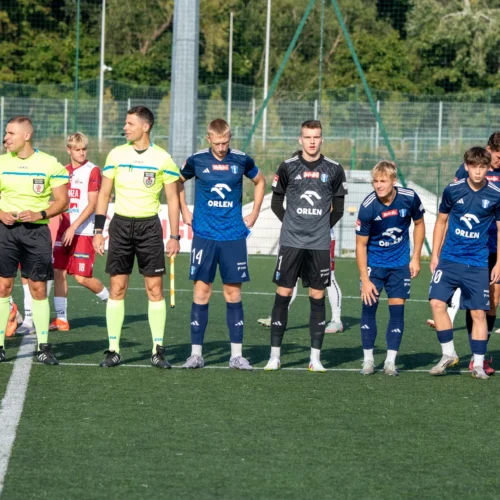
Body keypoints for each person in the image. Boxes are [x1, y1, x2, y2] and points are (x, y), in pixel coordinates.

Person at [93, 106, 180, 368]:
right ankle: (113, 350)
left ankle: (157, 350)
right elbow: (104, 194)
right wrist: (98, 231)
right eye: (126, 123)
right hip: (120, 226)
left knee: (154, 289)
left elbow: (173, 199)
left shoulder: (163, 158)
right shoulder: (116, 154)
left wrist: (174, 236)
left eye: (130, 123)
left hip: (149, 228)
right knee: (117, 288)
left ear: (146, 126)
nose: (125, 128)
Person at [179, 118, 265, 370]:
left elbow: (260, 181)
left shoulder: (241, 159)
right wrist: (184, 210)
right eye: (217, 143)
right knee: (201, 292)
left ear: (229, 138)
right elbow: (176, 182)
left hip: (233, 236)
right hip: (204, 236)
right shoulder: (197, 160)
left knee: (233, 293)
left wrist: (255, 212)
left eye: (225, 142)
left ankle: (236, 356)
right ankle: (196, 355)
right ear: (209, 139)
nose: (221, 148)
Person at [264, 119, 347, 372]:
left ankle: (315, 359)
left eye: (316, 137)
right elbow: (276, 203)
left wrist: (319, 227)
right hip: (291, 242)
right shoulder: (287, 166)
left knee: (317, 296)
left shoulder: (334, 169)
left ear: (322, 139)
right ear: (300, 139)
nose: (312, 141)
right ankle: (275, 357)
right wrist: (293, 224)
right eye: (307, 137)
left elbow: (339, 208)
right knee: (284, 293)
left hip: (318, 245)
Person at [427, 131, 500, 375]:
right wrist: (435, 255)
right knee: (436, 302)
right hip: (449, 258)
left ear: (487, 168)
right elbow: (440, 222)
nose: (478, 172)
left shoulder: (495, 194)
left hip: (478, 262)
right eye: (473, 167)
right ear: (466, 166)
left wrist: (499, 262)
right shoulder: (452, 190)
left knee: (479, 312)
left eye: (482, 167)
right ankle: (448, 354)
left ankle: (478, 364)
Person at [0, 116, 69, 364]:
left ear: (26, 136)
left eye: (11, 133)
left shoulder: (50, 164)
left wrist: (40, 214)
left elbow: (63, 201)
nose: (5, 138)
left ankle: (43, 346)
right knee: (3, 287)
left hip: (36, 233)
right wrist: (1, 214)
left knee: (38, 288)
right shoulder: (1, 162)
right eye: (6, 133)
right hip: (5, 231)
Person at [356, 161, 425, 376]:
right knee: (369, 309)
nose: (378, 185)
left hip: (399, 265)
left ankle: (390, 362)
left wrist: (415, 257)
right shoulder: (368, 206)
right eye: (375, 181)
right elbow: (360, 245)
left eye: (383, 181)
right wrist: (365, 279)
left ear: (394, 181)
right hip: (374, 265)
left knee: (397, 311)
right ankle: (368, 361)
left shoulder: (409, 197)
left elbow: (419, 223)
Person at [50, 133, 109, 331]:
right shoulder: (63, 171)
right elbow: (60, 201)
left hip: (83, 231)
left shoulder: (93, 170)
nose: (82, 153)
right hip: (65, 230)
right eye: (77, 149)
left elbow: (93, 204)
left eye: (84, 149)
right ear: (69, 150)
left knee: (82, 278)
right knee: (59, 272)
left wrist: (73, 226)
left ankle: (110, 301)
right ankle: (61, 319)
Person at [257, 227, 343, 333]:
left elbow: (335, 215)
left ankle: (336, 320)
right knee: (290, 277)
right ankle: (278, 317)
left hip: (321, 239)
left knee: (329, 276)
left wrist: (322, 226)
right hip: (296, 238)